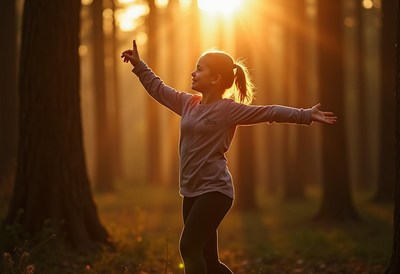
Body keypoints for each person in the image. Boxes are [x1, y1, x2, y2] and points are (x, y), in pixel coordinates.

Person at [121, 40, 337, 274]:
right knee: (209, 261)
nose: (193, 72)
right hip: (191, 191)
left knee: (188, 248)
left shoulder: (227, 109)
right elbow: (158, 88)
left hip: (215, 191)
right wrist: (140, 66)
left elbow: (270, 111)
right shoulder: (187, 103)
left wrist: (306, 114)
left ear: (215, 78)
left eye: (200, 68)